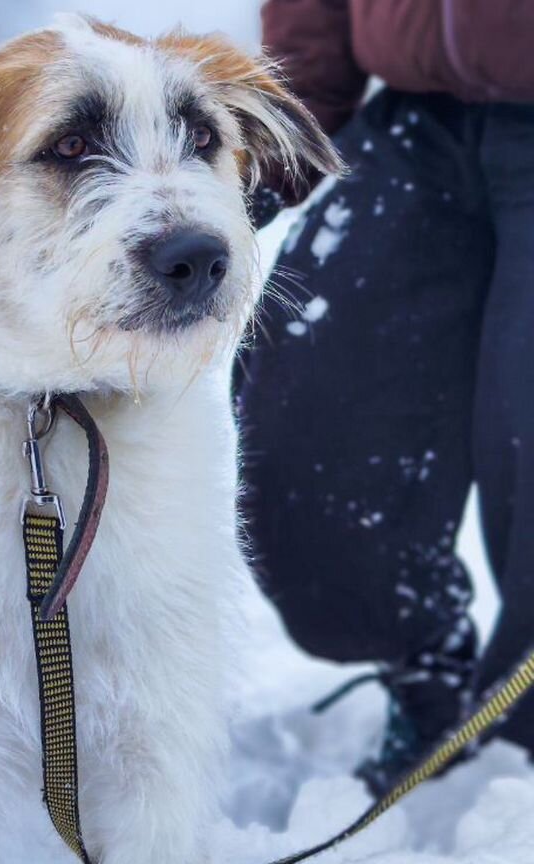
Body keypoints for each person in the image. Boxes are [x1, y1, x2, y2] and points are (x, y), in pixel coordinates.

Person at [234, 0, 534, 795]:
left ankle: (516, 762)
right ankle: (428, 676)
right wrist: (283, 138)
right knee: (305, 425)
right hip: (416, 120)